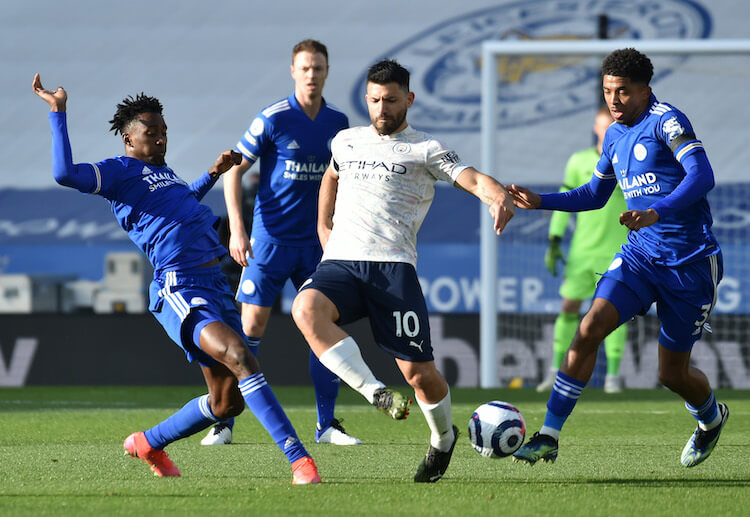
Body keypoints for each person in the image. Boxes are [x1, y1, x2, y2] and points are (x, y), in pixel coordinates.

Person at [33, 74, 321, 484]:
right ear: (129, 140)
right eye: (151, 133)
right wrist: (57, 113)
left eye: (164, 132)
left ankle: (148, 441)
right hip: (179, 286)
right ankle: (299, 460)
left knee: (227, 405)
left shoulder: (165, 175)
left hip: (215, 285)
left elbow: (183, 204)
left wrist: (212, 174)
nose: (161, 139)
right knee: (241, 356)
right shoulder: (119, 171)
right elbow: (64, 173)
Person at [291, 59, 516, 483]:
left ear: (408, 99)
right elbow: (331, 176)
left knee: (419, 375)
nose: (382, 108)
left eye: (391, 100)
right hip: (341, 260)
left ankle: (443, 438)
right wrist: (324, 225)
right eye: (375, 100)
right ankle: (374, 392)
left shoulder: (425, 149)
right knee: (305, 309)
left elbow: (468, 176)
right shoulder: (346, 141)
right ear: (367, 99)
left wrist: (495, 194)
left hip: (393, 268)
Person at [508, 48, 728, 468]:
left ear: (645, 89)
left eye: (623, 92)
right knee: (589, 327)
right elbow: (593, 194)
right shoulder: (612, 134)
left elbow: (703, 175)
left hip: (690, 263)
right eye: (608, 91)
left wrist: (656, 211)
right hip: (640, 256)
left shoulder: (667, 121)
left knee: (672, 375)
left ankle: (710, 418)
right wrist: (541, 202)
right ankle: (549, 436)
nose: (613, 100)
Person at [202, 39, 358, 447]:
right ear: (293, 71)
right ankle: (225, 422)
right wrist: (238, 229)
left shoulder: (338, 123)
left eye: (318, 68)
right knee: (248, 328)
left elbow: (348, 180)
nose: (311, 75)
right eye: (305, 68)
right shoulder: (274, 118)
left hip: (316, 245)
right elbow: (233, 170)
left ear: (327, 71)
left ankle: (327, 426)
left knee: (323, 326)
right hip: (268, 243)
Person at [537, 106, 629, 394]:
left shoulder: (628, 160)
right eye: (601, 126)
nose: (605, 131)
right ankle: (554, 370)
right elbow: (566, 200)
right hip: (582, 253)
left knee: (615, 313)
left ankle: (613, 377)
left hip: (617, 252)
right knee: (569, 307)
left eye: (609, 125)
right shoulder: (578, 161)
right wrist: (554, 239)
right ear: (595, 128)